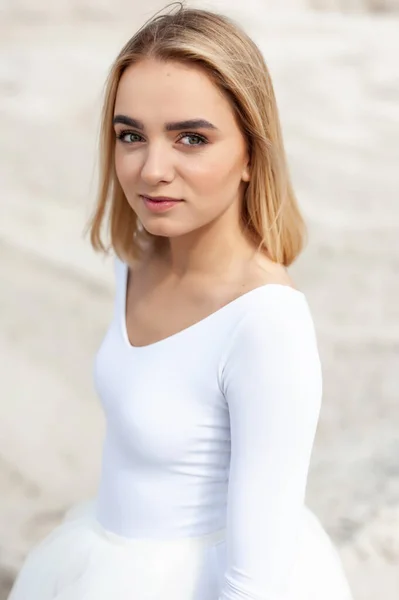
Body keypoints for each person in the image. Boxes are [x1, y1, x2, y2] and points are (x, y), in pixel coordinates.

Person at [8, 4, 354, 600]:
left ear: (251, 152)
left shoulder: (266, 323)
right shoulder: (135, 260)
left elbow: (256, 586)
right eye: (130, 136)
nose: (151, 170)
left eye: (191, 138)